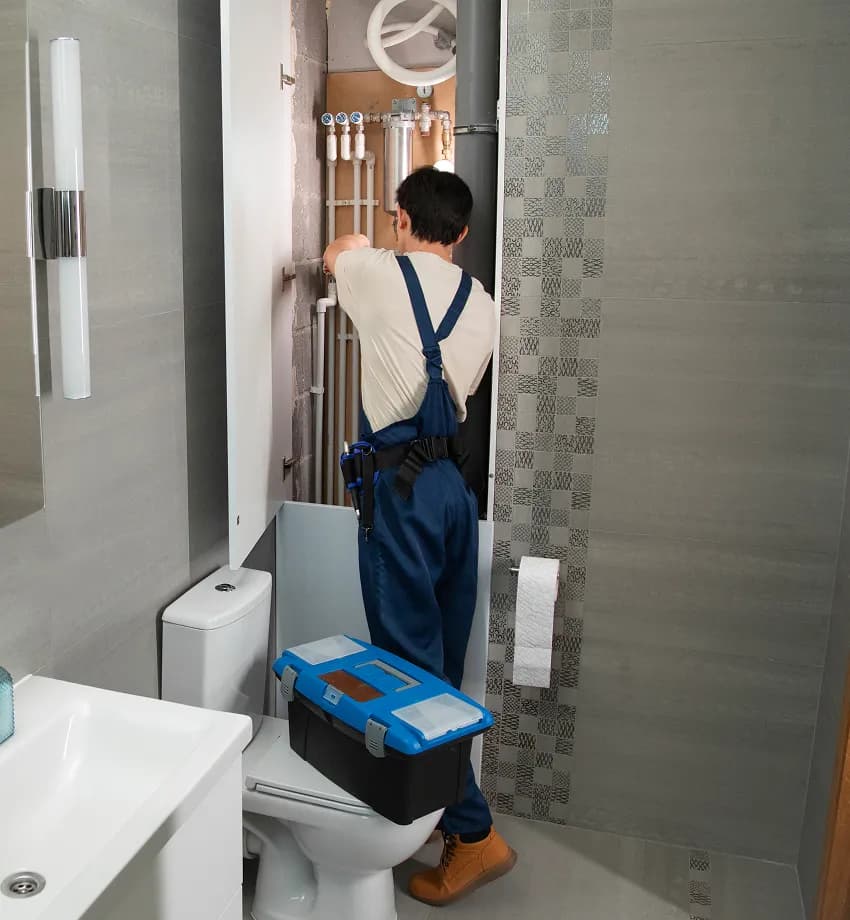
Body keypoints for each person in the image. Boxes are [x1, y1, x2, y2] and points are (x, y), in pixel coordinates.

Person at [323, 167, 516, 906]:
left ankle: (472, 831)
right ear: (462, 233)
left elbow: (337, 251)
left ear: (400, 219)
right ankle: (442, 808)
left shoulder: (375, 273)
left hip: (399, 494)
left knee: (408, 670)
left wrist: (362, 241)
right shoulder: (484, 303)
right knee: (440, 668)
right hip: (452, 495)